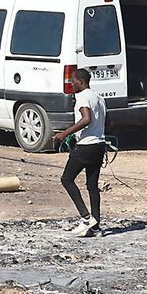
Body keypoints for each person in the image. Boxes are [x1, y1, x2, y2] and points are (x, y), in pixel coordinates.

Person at [53, 68, 107, 238]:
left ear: (81, 82)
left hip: (86, 147)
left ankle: (86, 218)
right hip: (99, 145)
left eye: (73, 81)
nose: (71, 83)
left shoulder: (83, 96)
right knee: (92, 186)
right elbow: (107, 120)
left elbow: (86, 118)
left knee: (66, 179)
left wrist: (64, 134)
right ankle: (96, 228)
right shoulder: (99, 98)